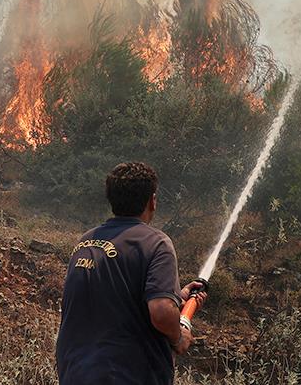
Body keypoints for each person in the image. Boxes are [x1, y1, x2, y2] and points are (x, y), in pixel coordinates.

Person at [56, 162, 207, 385]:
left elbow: (111, 294)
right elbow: (161, 312)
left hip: (75, 373)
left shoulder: (86, 242)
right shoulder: (156, 243)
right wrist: (179, 336)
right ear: (152, 201)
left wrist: (175, 295)